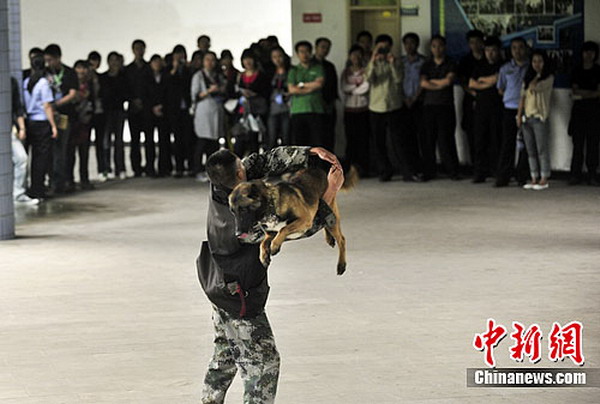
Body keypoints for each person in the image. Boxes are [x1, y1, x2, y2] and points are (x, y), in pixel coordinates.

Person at [199, 145, 343, 404]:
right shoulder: (242, 220)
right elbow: (299, 227)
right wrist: (329, 193)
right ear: (239, 174)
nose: (245, 165)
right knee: (263, 363)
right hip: (236, 292)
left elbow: (264, 160)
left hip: (215, 280)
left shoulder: (225, 183)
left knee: (226, 352)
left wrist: (309, 153)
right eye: (241, 166)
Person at [366, 34, 409, 182]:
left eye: (386, 47)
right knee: (379, 142)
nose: (383, 50)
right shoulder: (372, 62)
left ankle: (406, 171)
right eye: (380, 47)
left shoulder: (397, 62)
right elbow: (368, 79)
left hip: (394, 106)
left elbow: (399, 79)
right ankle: (384, 171)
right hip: (376, 107)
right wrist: (373, 60)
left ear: (390, 47)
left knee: (399, 141)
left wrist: (392, 63)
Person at [420, 35, 460, 181]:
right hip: (429, 106)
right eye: (434, 46)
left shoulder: (450, 62)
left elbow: (448, 81)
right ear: (431, 48)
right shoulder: (426, 64)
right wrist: (439, 84)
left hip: (445, 105)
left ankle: (452, 171)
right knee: (428, 140)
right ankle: (429, 171)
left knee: (446, 140)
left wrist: (432, 83)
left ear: (445, 47)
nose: (437, 49)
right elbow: (423, 83)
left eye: (440, 46)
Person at [517, 49, 554, 190]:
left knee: (542, 149)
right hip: (527, 117)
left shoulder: (548, 78)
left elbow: (534, 87)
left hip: (539, 117)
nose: (537, 64)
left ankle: (544, 177)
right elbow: (522, 97)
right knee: (530, 149)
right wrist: (519, 115)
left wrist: (538, 75)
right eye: (534, 61)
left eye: (540, 61)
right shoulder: (527, 78)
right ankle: (534, 177)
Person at [22, 55, 58, 200]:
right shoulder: (43, 83)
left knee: (31, 156)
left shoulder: (26, 82)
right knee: (41, 158)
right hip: (42, 122)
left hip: (29, 121)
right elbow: (47, 105)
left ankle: (30, 187)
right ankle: (38, 189)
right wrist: (53, 125)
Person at [468, 36, 503, 183]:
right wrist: (489, 82)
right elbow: (472, 84)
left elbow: (498, 79)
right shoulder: (480, 65)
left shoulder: (503, 65)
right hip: (481, 107)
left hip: (497, 107)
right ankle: (480, 172)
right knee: (480, 141)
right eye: (488, 50)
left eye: (493, 50)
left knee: (496, 140)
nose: (490, 53)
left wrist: (483, 80)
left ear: (499, 51)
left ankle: (497, 171)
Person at [496, 37, 530, 187]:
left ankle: (522, 176)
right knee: (507, 143)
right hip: (509, 109)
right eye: (514, 48)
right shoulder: (505, 68)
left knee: (526, 144)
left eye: (521, 47)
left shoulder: (530, 67)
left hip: (527, 110)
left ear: (526, 49)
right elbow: (500, 89)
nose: (517, 51)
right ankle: (503, 176)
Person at [44, 44, 78, 194]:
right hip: (47, 116)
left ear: (58, 58)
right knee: (49, 151)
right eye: (46, 60)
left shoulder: (69, 73)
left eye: (51, 60)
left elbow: (72, 94)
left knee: (61, 150)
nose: (49, 63)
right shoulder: (45, 73)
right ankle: (51, 180)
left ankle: (60, 182)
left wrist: (56, 104)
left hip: (64, 115)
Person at [191, 51, 227, 182]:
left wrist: (221, 89)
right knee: (202, 142)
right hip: (203, 111)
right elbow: (195, 95)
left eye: (212, 60)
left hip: (216, 111)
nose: (210, 62)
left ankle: (211, 171)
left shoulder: (218, 75)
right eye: (207, 59)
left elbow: (225, 90)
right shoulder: (198, 76)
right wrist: (209, 91)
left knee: (214, 144)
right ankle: (197, 170)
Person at [568, 41, 600, 186]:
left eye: (592, 52)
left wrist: (583, 94)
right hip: (578, 112)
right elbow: (574, 91)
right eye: (586, 52)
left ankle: (592, 174)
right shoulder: (577, 70)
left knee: (593, 144)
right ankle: (575, 174)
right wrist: (591, 94)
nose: (589, 55)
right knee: (578, 144)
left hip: (595, 111)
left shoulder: (598, 70)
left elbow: (598, 92)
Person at [287, 40, 325, 147]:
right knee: (300, 143)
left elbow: (319, 84)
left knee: (317, 142)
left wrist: (301, 85)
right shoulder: (294, 70)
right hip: (298, 110)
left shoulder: (318, 68)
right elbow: (292, 90)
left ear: (311, 52)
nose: (305, 54)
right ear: (297, 54)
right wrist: (310, 88)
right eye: (301, 51)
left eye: (307, 51)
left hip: (315, 109)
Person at [125, 39, 154, 177]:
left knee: (149, 140)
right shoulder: (128, 69)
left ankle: (150, 167)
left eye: (141, 48)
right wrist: (133, 100)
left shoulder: (149, 68)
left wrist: (144, 100)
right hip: (133, 109)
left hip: (147, 108)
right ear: (133, 50)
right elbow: (125, 88)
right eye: (137, 48)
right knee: (135, 140)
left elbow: (152, 88)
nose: (139, 51)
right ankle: (136, 168)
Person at [399, 32, 426, 180]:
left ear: (417, 44)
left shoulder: (423, 61)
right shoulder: (400, 61)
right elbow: (397, 82)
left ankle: (422, 168)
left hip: (419, 102)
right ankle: (409, 169)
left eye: (412, 43)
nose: (409, 46)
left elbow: (424, 82)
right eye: (407, 43)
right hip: (403, 103)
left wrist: (414, 98)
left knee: (421, 137)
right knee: (406, 138)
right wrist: (404, 98)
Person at [234, 48, 271, 156]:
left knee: (253, 140)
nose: (248, 62)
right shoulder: (239, 76)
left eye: (250, 59)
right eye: (245, 59)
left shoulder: (262, 76)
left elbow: (266, 92)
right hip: (242, 111)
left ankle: (253, 163)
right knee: (239, 140)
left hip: (256, 111)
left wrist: (254, 94)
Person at [341, 44, 370, 176]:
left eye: (359, 55)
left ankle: (364, 168)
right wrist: (357, 87)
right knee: (351, 140)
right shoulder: (345, 72)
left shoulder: (366, 71)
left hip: (363, 110)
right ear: (349, 56)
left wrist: (353, 89)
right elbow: (344, 87)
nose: (356, 57)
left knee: (364, 140)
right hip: (349, 110)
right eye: (354, 55)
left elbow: (366, 87)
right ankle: (350, 168)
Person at [457, 30, 485, 166]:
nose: (475, 45)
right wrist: (473, 93)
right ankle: (476, 166)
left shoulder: (488, 58)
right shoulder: (465, 61)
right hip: (470, 100)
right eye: (472, 42)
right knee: (471, 133)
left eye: (478, 42)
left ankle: (489, 165)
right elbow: (463, 82)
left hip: (487, 100)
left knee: (487, 134)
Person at [166, 44, 194, 178]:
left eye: (182, 54)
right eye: (177, 54)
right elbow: (166, 85)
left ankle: (190, 166)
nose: (179, 57)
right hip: (174, 109)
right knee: (177, 139)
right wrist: (174, 68)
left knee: (189, 138)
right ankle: (179, 167)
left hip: (187, 108)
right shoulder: (169, 69)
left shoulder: (188, 69)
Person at [100, 51, 128, 179]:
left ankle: (120, 168)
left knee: (119, 141)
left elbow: (126, 93)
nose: (114, 63)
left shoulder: (123, 77)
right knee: (106, 141)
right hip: (106, 112)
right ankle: (106, 168)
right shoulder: (103, 77)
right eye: (111, 60)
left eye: (116, 60)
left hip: (119, 111)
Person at [67, 60, 95, 190]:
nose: (81, 71)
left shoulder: (91, 84)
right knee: (70, 152)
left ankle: (84, 179)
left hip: (85, 122)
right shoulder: (70, 84)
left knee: (84, 152)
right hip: (73, 121)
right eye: (78, 68)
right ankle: (70, 180)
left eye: (84, 68)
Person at [11, 76, 39, 205]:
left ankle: (18, 194)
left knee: (22, 159)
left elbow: (18, 107)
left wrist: (22, 128)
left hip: (9, 129)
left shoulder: (10, 81)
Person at [148, 54, 172, 177]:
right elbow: (144, 94)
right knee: (149, 141)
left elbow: (169, 94)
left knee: (164, 141)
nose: (157, 64)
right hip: (149, 113)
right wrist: (152, 106)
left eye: (159, 62)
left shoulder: (166, 76)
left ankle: (164, 168)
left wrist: (162, 106)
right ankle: (150, 168)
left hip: (164, 112)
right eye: (155, 62)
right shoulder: (146, 77)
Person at [314, 37, 339, 151]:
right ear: (316, 48)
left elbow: (333, 86)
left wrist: (331, 103)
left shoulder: (330, 66)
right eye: (323, 47)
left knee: (329, 136)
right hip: (314, 106)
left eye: (328, 48)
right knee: (316, 137)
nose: (325, 50)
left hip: (329, 105)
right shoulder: (309, 64)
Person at [87, 51, 107, 182]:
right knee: (85, 144)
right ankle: (85, 174)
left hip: (100, 113)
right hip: (88, 114)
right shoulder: (84, 80)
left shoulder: (101, 78)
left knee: (101, 143)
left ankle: (102, 170)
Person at [266, 46, 291, 150]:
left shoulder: (291, 71)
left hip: (288, 109)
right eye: (274, 57)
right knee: (272, 139)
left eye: (279, 56)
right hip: (273, 109)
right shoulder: (269, 73)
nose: (277, 59)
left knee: (287, 138)